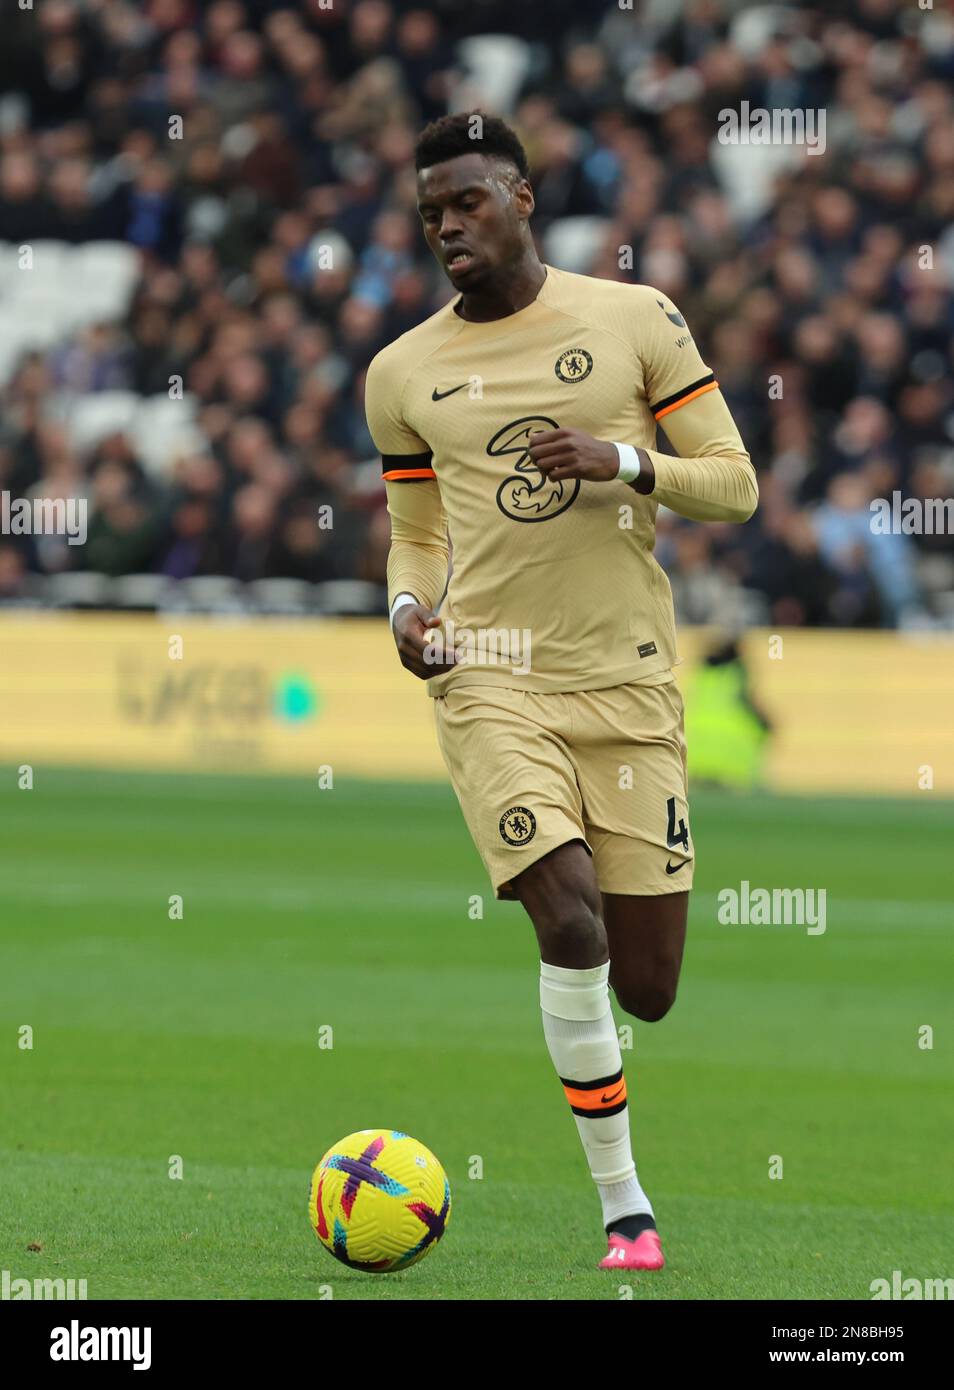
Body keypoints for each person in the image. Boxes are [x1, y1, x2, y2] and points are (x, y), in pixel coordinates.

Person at [365, 112, 757, 1271]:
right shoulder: (402, 372)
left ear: (523, 198)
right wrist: (404, 611)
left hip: (628, 684)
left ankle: (622, 1167)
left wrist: (624, 462)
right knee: (567, 912)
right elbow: (412, 529)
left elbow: (732, 486)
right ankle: (626, 1211)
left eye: (469, 202)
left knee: (649, 986)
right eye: (432, 210)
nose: (448, 226)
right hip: (489, 675)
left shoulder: (634, 320)